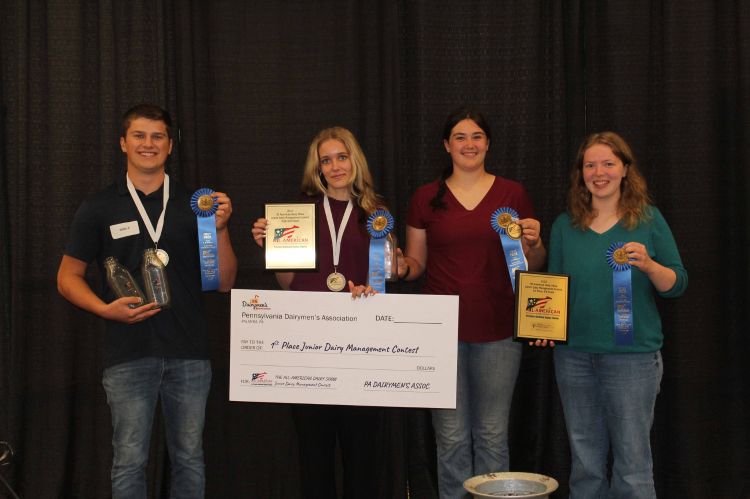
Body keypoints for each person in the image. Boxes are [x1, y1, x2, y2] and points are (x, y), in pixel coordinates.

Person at [57, 103, 237, 498]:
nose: (148, 144)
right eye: (139, 135)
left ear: (170, 145)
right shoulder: (99, 207)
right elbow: (67, 277)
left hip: (189, 353)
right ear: (123, 143)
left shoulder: (198, 206)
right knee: (129, 461)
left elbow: (224, 282)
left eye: (157, 136)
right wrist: (104, 309)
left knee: (190, 458)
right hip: (127, 353)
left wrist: (220, 230)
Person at [398, 108, 546, 498]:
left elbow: (534, 265)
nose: (469, 144)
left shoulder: (512, 194)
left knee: (493, 434)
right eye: (460, 137)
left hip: (498, 331)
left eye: (477, 136)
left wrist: (533, 242)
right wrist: (395, 266)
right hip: (439, 334)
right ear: (446, 145)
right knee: (449, 438)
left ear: (488, 143)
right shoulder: (425, 198)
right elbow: (416, 266)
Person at [545, 131, 687, 498]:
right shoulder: (564, 226)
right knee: (585, 462)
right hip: (573, 356)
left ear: (625, 169)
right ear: (581, 173)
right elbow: (553, 287)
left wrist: (650, 265)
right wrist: (543, 325)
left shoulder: (648, 220)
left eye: (608, 163)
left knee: (633, 465)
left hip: (632, 359)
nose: (599, 172)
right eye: (590, 165)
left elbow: (677, 283)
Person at [251, 127, 385, 498]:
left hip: (363, 349)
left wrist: (372, 290)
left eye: (342, 157)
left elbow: (385, 282)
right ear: (317, 168)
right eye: (326, 160)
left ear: (354, 160)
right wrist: (272, 249)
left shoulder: (375, 215)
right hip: (309, 350)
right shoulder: (296, 213)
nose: (335, 166)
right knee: (314, 459)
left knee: (362, 460)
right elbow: (287, 283)